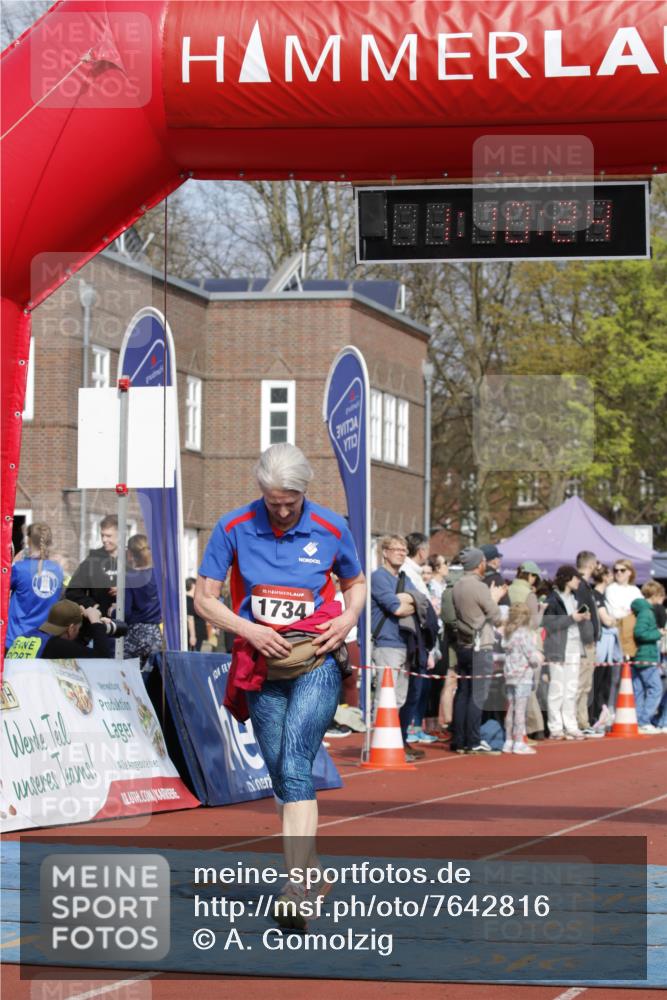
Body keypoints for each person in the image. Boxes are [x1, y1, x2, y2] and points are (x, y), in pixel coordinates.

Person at [194, 444, 365, 927]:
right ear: (261, 493)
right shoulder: (233, 526)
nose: (283, 511)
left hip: (316, 659)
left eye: (291, 502)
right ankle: (314, 875)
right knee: (279, 773)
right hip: (260, 663)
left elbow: (355, 583)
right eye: (274, 503)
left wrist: (347, 619)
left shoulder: (332, 527)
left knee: (295, 763)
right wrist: (248, 629)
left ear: (304, 492)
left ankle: (295, 889)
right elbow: (204, 598)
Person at [370, 535, 423, 762]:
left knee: (399, 698)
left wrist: (409, 601)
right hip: (386, 644)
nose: (402, 553)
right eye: (397, 549)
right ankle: (377, 746)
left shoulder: (404, 577)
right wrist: (409, 602)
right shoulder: (378, 578)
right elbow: (396, 608)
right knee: (385, 698)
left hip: (405, 644)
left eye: (404, 550)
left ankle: (392, 746)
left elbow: (422, 602)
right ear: (385, 552)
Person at [451, 547, 504, 754]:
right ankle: (473, 740)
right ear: (478, 564)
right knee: (477, 695)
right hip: (480, 646)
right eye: (483, 561)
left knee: (463, 693)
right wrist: (494, 598)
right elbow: (496, 616)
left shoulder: (457, 586)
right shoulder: (479, 587)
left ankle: (459, 740)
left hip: (463, 644)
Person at [543, 566, 590, 740]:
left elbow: (574, 622)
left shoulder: (575, 598)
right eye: (576, 578)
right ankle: (555, 728)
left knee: (571, 689)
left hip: (574, 647)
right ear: (568, 579)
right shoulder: (553, 599)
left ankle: (571, 726)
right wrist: (572, 618)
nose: (579, 581)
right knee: (557, 689)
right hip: (558, 648)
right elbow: (549, 625)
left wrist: (583, 619)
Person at [5, 522, 64, 652]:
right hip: (44, 642)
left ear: (28, 540)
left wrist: (13, 563)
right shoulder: (58, 570)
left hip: (17, 640)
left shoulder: (19, 568)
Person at [508, 561, 546, 740]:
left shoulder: (509, 589)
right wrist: (542, 610)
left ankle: (518, 731)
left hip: (511, 639)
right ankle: (533, 728)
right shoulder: (529, 594)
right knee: (529, 687)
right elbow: (535, 623)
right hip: (529, 641)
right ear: (531, 575)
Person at [5, 599, 112, 660]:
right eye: (78, 629)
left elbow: (74, 646)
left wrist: (86, 625)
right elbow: (102, 658)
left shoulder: (25, 637)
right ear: (71, 629)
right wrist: (95, 622)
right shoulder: (56, 646)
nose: (78, 632)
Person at [502, 603, 544, 755]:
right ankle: (519, 742)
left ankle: (508, 741)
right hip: (523, 676)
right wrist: (539, 659)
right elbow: (531, 656)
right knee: (520, 710)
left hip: (510, 675)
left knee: (510, 709)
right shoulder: (524, 634)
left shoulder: (508, 633)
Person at [574, 550, 603, 737]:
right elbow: (581, 614)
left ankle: (582, 721)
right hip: (584, 642)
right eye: (596, 564)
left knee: (585, 685)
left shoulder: (585, 586)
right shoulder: (581, 587)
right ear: (591, 565)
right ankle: (577, 721)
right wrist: (587, 638)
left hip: (588, 641)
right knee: (581, 684)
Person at [66, 514, 119, 616]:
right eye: (102, 535)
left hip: (127, 622)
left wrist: (126, 591)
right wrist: (93, 606)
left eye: (108, 536)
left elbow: (145, 592)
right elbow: (73, 591)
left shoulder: (131, 559)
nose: (104, 540)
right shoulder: (92, 560)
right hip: (99, 621)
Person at [631, 582, 666, 734]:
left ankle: (638, 721)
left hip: (640, 655)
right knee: (656, 689)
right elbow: (640, 633)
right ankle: (644, 721)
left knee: (639, 690)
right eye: (661, 595)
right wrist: (659, 633)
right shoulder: (647, 612)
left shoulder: (642, 610)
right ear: (655, 595)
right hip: (646, 655)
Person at [591, 564, 621, 730]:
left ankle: (600, 717)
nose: (613, 577)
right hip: (602, 647)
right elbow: (607, 620)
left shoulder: (602, 596)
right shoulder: (597, 595)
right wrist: (616, 619)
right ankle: (595, 718)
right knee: (599, 683)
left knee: (604, 683)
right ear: (604, 577)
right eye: (610, 574)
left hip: (606, 648)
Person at [124, 534, 162, 665]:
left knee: (128, 673)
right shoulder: (160, 575)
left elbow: (125, 612)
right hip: (155, 633)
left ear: (130, 553)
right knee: (153, 675)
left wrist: (113, 611)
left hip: (135, 633)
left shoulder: (129, 577)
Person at [604, 559, 642, 659]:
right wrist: (630, 611)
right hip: (617, 633)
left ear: (630, 572)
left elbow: (642, 611)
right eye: (616, 570)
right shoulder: (611, 589)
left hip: (633, 635)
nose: (618, 573)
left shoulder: (635, 590)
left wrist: (624, 611)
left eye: (622, 570)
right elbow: (614, 613)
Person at [186, 577, 209, 651]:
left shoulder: (193, 600)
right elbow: (190, 619)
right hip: (195, 636)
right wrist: (192, 636)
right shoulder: (189, 600)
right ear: (193, 585)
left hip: (198, 635)